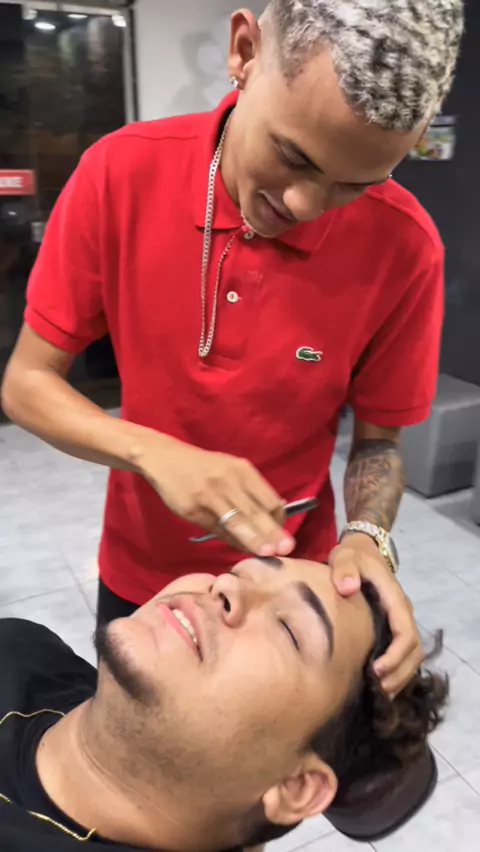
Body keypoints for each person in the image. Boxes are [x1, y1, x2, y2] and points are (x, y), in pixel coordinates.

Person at [1, 1, 465, 700]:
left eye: (354, 184)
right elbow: (27, 383)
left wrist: (368, 537)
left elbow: (379, 443)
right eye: (294, 156)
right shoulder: (120, 171)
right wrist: (154, 452)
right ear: (244, 52)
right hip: (141, 574)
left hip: (285, 590)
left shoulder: (405, 247)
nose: (306, 204)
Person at [0, 557, 448, 852]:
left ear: (296, 786)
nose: (226, 588)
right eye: (236, 571)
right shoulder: (23, 646)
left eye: (289, 630)